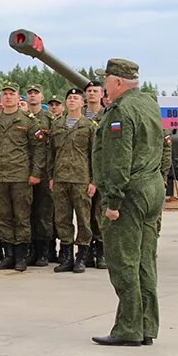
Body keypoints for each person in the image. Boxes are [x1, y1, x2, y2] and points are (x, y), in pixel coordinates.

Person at [91, 59, 164, 346]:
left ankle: (128, 328)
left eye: (106, 79)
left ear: (118, 82)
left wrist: (112, 201)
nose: (103, 84)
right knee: (145, 261)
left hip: (130, 194)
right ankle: (147, 326)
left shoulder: (121, 110)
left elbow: (118, 160)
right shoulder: (147, 103)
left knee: (123, 262)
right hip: (152, 188)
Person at [0, 83, 47, 272]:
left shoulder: (28, 121)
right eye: (5, 94)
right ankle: (8, 255)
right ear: (1, 98)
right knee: (3, 217)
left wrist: (35, 173)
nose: (8, 97)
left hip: (21, 176)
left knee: (22, 216)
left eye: (12, 94)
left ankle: (21, 256)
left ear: (18, 98)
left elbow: (39, 150)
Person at [48, 88, 97, 273]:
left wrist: (94, 181)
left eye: (76, 98)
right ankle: (66, 256)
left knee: (84, 220)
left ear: (82, 103)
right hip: (60, 178)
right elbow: (50, 154)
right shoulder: (57, 125)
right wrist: (51, 176)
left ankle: (82, 257)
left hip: (81, 179)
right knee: (62, 219)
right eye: (69, 98)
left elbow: (95, 155)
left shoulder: (89, 126)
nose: (72, 101)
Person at [26, 84, 54, 266]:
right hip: (23, 170)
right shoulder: (22, 118)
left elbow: (52, 146)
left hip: (43, 173)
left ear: (42, 96)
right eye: (30, 93)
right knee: (26, 212)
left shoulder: (49, 119)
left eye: (36, 93)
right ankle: (29, 250)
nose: (33, 96)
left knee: (44, 212)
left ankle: (44, 251)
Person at [84, 80, 107, 267]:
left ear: (102, 95)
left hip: (103, 173)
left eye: (95, 91)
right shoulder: (78, 116)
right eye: (89, 91)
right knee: (85, 215)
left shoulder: (108, 116)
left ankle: (101, 252)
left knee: (100, 215)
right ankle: (86, 251)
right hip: (82, 173)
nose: (91, 94)